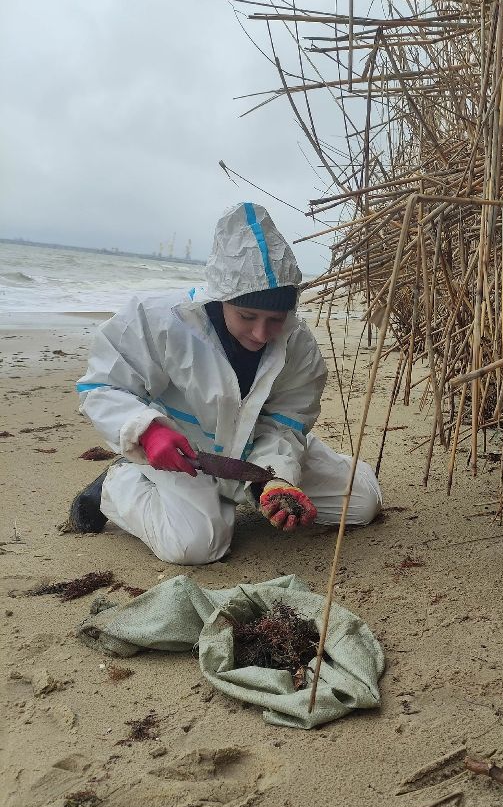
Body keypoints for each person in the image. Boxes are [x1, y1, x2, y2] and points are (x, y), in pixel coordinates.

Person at [67, 202, 381, 564]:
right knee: (197, 546)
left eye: (276, 318)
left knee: (360, 502)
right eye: (248, 316)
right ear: (222, 299)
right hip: (184, 455)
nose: (262, 334)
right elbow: (102, 387)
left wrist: (274, 478)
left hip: (256, 455)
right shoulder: (158, 321)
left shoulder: (299, 345)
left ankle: (247, 491)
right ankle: (116, 484)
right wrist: (147, 431)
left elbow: (287, 422)